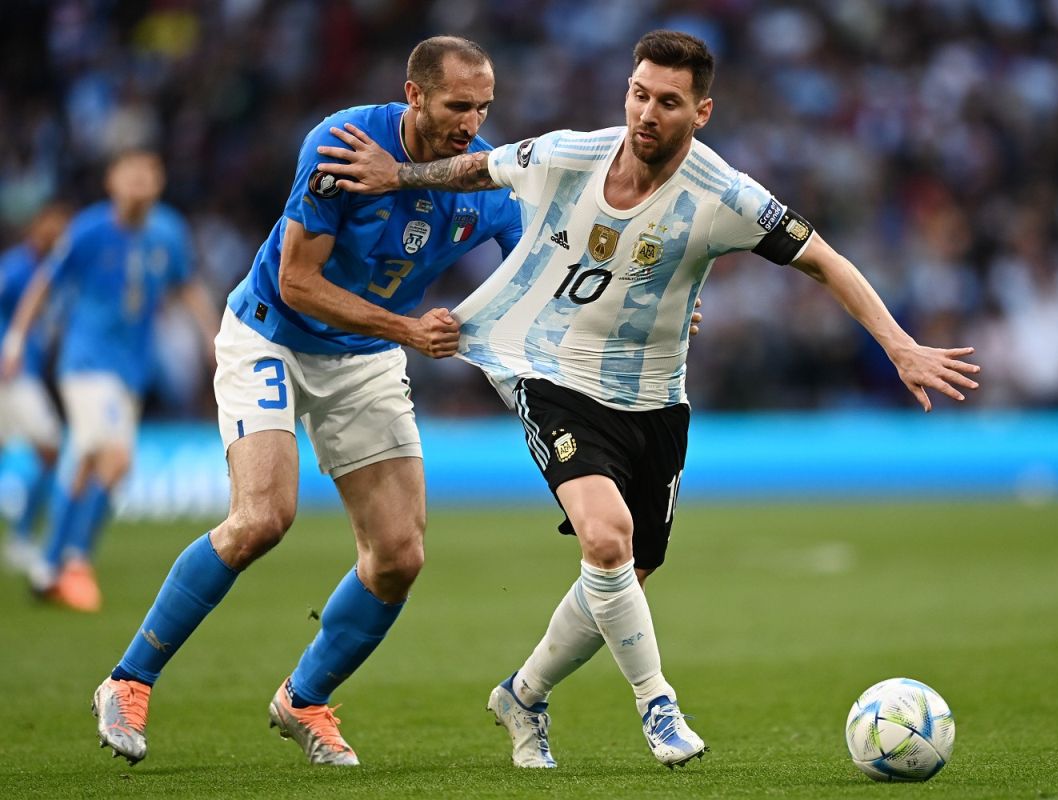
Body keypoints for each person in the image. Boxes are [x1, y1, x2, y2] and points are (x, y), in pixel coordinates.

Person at [317, 29, 981, 769]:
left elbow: (824, 259)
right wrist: (397, 175)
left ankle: (523, 695)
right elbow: (479, 168)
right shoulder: (572, 153)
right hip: (552, 374)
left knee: (623, 576)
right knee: (606, 537)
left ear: (702, 112)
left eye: (668, 101)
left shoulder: (723, 195)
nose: (646, 113)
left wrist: (899, 345)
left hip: (655, 399)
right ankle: (658, 704)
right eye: (639, 94)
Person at [77, 36, 525, 768]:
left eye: (484, 108)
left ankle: (305, 697)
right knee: (262, 518)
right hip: (272, 336)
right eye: (457, 106)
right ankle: (128, 681)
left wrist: (642, 313)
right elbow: (297, 283)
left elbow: (543, 276)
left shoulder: (488, 178)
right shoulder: (341, 146)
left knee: (399, 556)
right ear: (413, 95)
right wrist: (408, 328)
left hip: (364, 357)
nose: (472, 124)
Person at [1, 151, 217, 613]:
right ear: (111, 181)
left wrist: (209, 335)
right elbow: (44, 283)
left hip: (131, 370)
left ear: (160, 182)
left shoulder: (168, 232)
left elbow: (189, 284)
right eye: (131, 173)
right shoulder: (88, 230)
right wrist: (17, 338)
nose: (140, 181)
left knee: (86, 462)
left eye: (150, 173)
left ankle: (48, 567)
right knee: (114, 460)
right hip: (86, 363)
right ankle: (76, 562)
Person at [0, 202, 71, 575]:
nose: (58, 231)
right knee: (49, 446)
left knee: (49, 450)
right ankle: (22, 537)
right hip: (12, 375)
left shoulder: (56, 272)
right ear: (37, 223)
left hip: (24, 374)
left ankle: (22, 536)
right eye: (52, 223)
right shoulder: (16, 267)